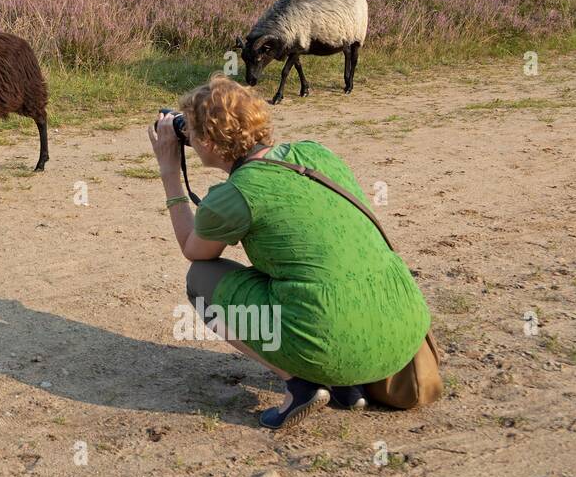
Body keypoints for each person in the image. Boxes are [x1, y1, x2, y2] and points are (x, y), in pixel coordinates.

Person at [148, 74, 431, 430]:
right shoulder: (315, 153)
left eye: (189, 129)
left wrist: (169, 171)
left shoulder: (235, 196)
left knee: (201, 280)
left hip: (332, 344)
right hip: (403, 334)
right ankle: (347, 387)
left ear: (208, 142)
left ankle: (301, 385)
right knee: (312, 268)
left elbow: (194, 251)